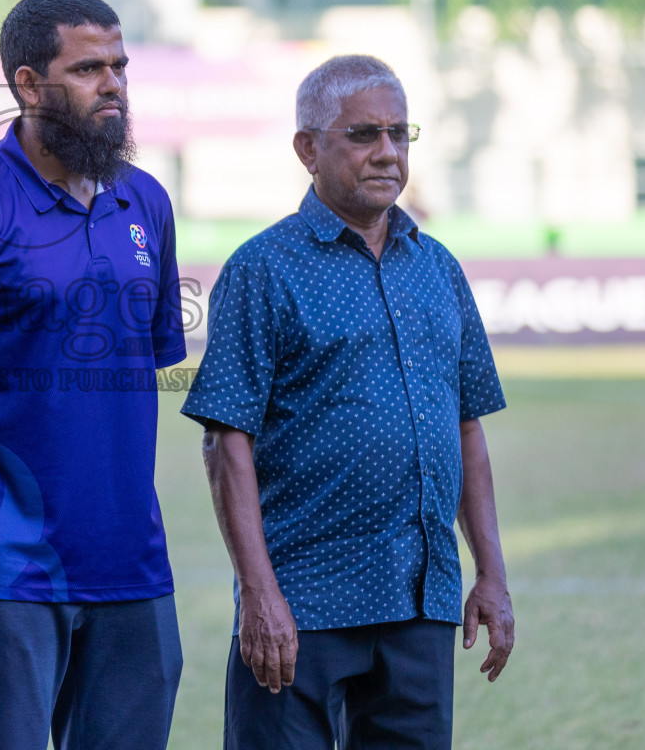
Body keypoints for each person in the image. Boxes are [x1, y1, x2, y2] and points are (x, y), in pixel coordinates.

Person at [181, 54, 514, 750]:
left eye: (400, 133)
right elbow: (225, 441)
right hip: (303, 604)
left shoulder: (438, 267)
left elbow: (467, 427)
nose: (387, 152)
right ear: (309, 148)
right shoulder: (262, 268)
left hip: (420, 598)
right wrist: (260, 596)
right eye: (363, 134)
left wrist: (491, 574)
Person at [0, 0, 187, 750]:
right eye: (89, 67)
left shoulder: (147, 203)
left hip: (133, 567)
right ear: (28, 86)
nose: (114, 84)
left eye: (120, 66)